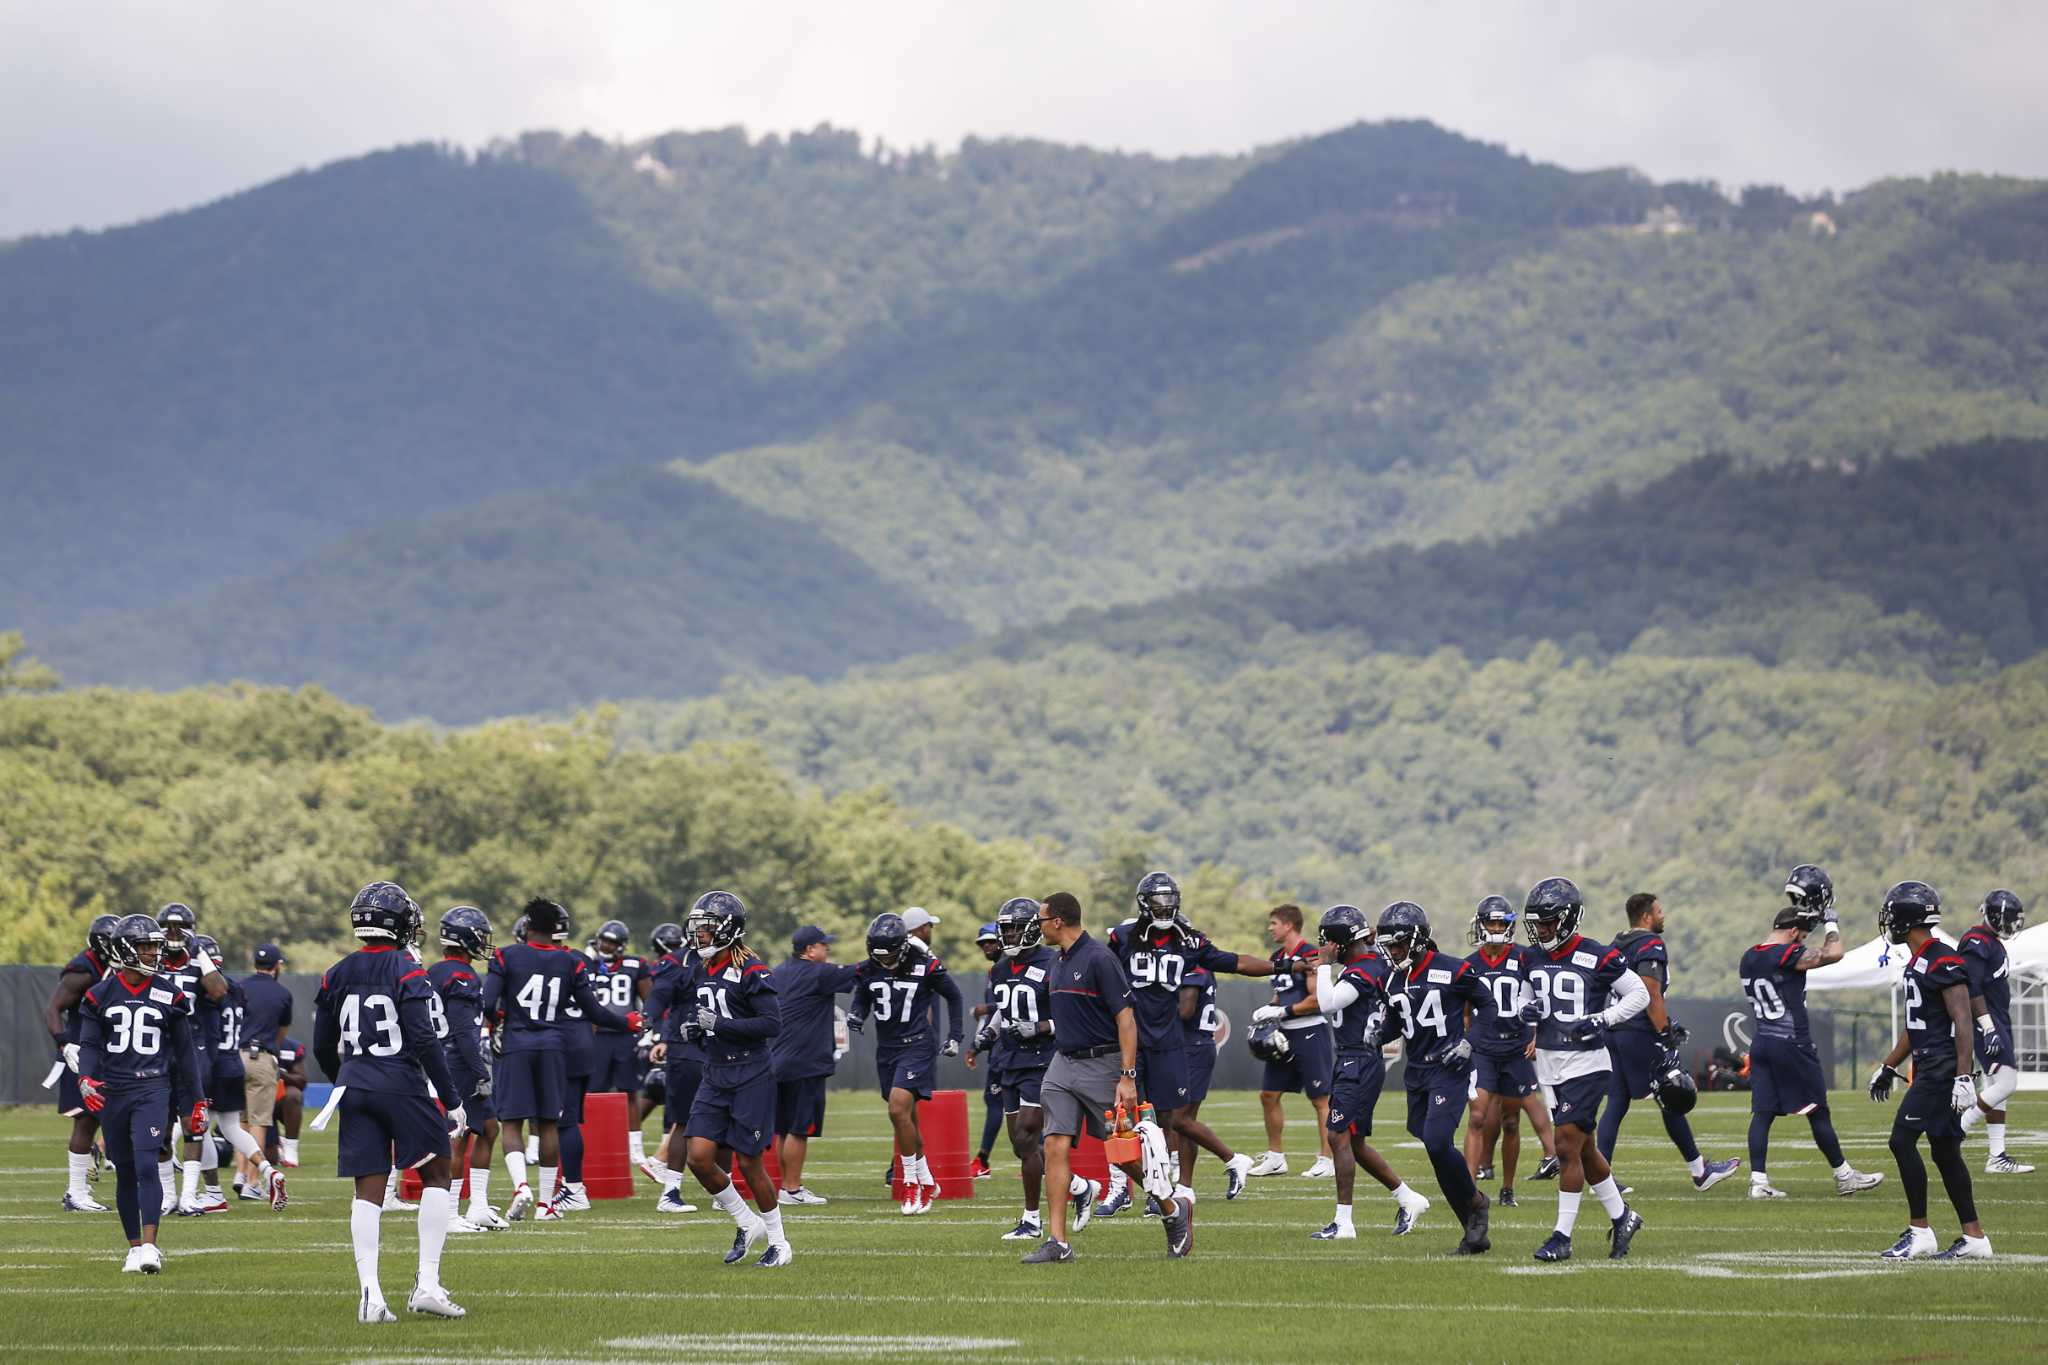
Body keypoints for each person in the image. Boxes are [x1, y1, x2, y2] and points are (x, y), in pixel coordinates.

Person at [312, 880, 467, 1320]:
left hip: (355, 1083)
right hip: (400, 1081)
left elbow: (325, 1044)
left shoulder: (336, 971)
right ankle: (428, 1284)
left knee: (369, 1186)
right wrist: (451, 1096)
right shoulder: (406, 968)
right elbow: (422, 1038)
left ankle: (371, 1296)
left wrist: (346, 1076)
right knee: (438, 1171)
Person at [1023, 891, 1195, 1263]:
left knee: (1125, 1155)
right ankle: (1058, 1242)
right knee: (1054, 1144)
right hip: (1062, 1064)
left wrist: (1127, 1076)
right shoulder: (1058, 961)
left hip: (1103, 1063)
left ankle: (1171, 1208)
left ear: (1057, 921)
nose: (1037, 927)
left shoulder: (1100, 958)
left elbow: (1126, 1019)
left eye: (1040, 920)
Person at [1097, 872, 1271, 1218]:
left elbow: (1233, 962)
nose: (1164, 907)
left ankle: (1162, 1187)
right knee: (1122, 1118)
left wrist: (1283, 965)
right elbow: (1102, 970)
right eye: (1158, 900)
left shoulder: (1190, 943)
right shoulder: (1123, 938)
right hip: (1135, 1040)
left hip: (1177, 1044)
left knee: (1169, 1120)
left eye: (1169, 900)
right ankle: (1127, 1187)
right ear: (1145, 904)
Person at [479, 898, 637, 1223]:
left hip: (517, 1044)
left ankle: (521, 1186)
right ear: (557, 930)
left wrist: (497, 1018)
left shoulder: (506, 955)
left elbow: (487, 1002)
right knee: (550, 1122)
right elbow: (594, 1011)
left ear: (527, 926)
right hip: (553, 1046)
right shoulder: (571, 962)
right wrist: (628, 1022)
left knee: (512, 1122)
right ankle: (546, 1204)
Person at [1519, 877, 1649, 1263]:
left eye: (1548, 923)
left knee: (1565, 1147)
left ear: (1569, 918)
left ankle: (1562, 1236)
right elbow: (1532, 995)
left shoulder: (1598, 954)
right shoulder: (1531, 957)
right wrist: (1529, 1011)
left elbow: (1639, 993)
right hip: (1549, 1063)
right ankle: (1623, 1217)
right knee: (1584, 1148)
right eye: (1537, 924)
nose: (1541, 931)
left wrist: (1603, 1019)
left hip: (1587, 1063)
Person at [1352, 901, 1492, 1253]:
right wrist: (1378, 1033)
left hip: (1449, 1066)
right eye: (1389, 945)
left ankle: (1474, 1212)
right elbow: (1398, 1023)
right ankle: (1473, 1210)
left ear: (1417, 940)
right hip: (1417, 1071)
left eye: (1399, 944)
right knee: (1429, 1141)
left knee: (1437, 1141)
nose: (1393, 951)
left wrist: (1468, 1043)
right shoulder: (1391, 978)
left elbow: (1488, 1006)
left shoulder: (1454, 970)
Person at [1738, 874, 1885, 1199]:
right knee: (1818, 1109)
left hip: (1762, 1040)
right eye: (1803, 937)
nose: (1804, 943)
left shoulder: (1749, 957)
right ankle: (1844, 1176)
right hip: (1791, 1042)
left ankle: (1758, 1182)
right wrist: (1831, 923)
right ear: (1793, 932)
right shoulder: (1785, 953)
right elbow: (1834, 953)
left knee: (1762, 1113)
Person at [1868, 881, 1993, 1260]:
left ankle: (1920, 1231)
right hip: (1928, 1064)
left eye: (1892, 913)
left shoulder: (1942, 958)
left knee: (1901, 1141)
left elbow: (1963, 1019)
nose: (1888, 920)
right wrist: (1889, 1066)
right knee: (1944, 1150)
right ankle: (1975, 1239)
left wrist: (1963, 1075)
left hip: (1941, 1068)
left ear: (1906, 918)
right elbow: (1916, 1026)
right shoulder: (1919, 960)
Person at [76, 913, 206, 1274]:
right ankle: (134, 1247)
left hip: (152, 1087)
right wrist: (85, 1079)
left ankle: (151, 1245)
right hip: (115, 1089)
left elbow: (185, 1054)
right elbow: (88, 1043)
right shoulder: (99, 994)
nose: (153, 953)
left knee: (148, 1162)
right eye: (146, 946)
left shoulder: (170, 993)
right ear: (125, 950)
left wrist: (196, 1100)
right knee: (126, 1171)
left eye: (154, 946)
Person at [674, 891, 792, 1268]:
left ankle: (779, 1242)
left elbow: (772, 1024)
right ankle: (746, 1221)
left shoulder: (752, 970)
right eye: (699, 928)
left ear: (728, 930)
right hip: (715, 1070)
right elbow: (710, 1018)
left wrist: (720, 1024)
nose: (700, 935)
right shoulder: (700, 968)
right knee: (699, 1156)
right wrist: (697, 1031)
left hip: (750, 1072)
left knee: (750, 1161)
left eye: (707, 928)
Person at [1304, 904, 1432, 1241]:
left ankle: (1344, 1222)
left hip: (1357, 1058)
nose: (1325, 948)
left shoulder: (1363, 968)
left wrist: (1323, 968)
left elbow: (1328, 1003)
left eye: (1328, 943)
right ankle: (1408, 1197)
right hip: (1357, 1057)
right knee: (1354, 1143)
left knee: (1336, 1135)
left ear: (1341, 943)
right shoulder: (1372, 962)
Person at [1596, 894, 1741, 1193]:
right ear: (1646, 917)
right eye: (1659, 911)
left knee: (1617, 1101)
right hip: (1637, 1030)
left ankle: (1601, 1178)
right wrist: (1664, 1032)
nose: (1664, 916)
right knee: (1672, 1094)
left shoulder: (1614, 945)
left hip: (1613, 1028)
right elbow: (1650, 992)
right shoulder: (1650, 944)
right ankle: (1700, 1171)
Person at [848, 910, 965, 1215]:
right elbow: (863, 995)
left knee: (898, 1107)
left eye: (889, 957)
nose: (884, 962)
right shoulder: (868, 969)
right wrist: (857, 1014)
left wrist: (955, 1034)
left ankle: (911, 1183)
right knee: (906, 1120)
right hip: (887, 1050)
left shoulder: (925, 964)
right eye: (879, 957)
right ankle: (928, 1181)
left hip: (917, 1045)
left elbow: (953, 995)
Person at [967, 897, 1061, 1241]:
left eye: (1014, 928)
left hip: (1042, 1058)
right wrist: (986, 1035)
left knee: (1027, 1133)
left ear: (1033, 929)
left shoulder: (1053, 962)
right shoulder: (1001, 968)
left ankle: (1032, 1219)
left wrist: (1041, 1027)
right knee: (1019, 1145)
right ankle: (1080, 1186)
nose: (1008, 935)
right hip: (1009, 1058)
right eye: (1004, 928)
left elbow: (1069, 1013)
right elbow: (1002, 1008)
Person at [179, 933, 286, 1216]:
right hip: (233, 1063)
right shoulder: (236, 989)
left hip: (212, 1064)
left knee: (198, 1129)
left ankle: (213, 1193)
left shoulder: (210, 991)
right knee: (229, 1127)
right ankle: (266, 1170)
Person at [1462, 897, 1558, 1206]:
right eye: (1491, 922)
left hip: (1515, 1047)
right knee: (1477, 1116)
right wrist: (1468, 1040)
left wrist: (1536, 1031)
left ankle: (1507, 1189)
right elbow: (1465, 1012)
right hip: (1484, 1049)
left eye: (1502, 923)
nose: (1496, 928)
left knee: (1512, 1121)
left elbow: (1541, 996)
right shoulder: (1470, 964)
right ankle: (1467, 1190)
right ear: (1481, 924)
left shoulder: (1525, 958)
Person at [770, 924, 861, 1204]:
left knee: (782, 1128)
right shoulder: (819, 973)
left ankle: (786, 1187)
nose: (827, 949)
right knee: (800, 1129)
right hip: (805, 1062)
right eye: (824, 945)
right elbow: (859, 972)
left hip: (777, 1061)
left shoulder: (777, 972)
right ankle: (792, 1188)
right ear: (810, 950)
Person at [429, 906, 506, 1232]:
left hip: (449, 1058)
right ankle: (447, 1215)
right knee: (457, 1136)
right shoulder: (461, 975)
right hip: (457, 1063)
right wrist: (480, 1069)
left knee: (489, 1128)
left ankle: (478, 1206)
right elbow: (463, 1031)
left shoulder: (434, 971)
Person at [154, 904, 228, 1218]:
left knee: (193, 1124)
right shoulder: (152, 962)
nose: (172, 934)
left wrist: (200, 956)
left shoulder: (198, 963)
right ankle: (168, 1195)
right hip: (157, 1052)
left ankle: (188, 1195)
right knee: (159, 1126)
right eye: (167, 927)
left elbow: (219, 991)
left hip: (189, 1052)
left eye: (178, 927)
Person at [1249, 905, 1334, 1179]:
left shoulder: (1310, 955)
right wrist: (1268, 1010)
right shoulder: (1278, 957)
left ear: (1288, 925)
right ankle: (1275, 1158)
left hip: (1309, 1032)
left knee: (1320, 1099)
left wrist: (1282, 1011)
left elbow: (1317, 999)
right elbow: (1280, 996)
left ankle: (1327, 1159)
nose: (1270, 928)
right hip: (1284, 1034)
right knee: (1268, 1095)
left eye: (1274, 923)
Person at [48, 913, 118, 1213]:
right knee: (86, 1119)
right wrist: (65, 1043)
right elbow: (52, 1009)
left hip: (104, 1050)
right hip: (82, 1051)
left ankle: (83, 1185)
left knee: (108, 1116)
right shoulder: (83, 970)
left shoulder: (110, 966)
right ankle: (76, 1191)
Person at [1959, 890, 2033, 1174]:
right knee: (2007, 1083)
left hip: (1997, 1019)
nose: (2015, 924)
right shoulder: (1977, 941)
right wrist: (1988, 1027)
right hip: (1986, 1021)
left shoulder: (1991, 942)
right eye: (2011, 919)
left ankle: (1996, 1156)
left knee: (1997, 1090)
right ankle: (1958, 1127)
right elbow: (1971, 986)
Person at [631, 921, 686, 1170]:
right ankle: (660, 1159)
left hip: (665, 1037)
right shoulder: (668, 967)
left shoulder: (674, 964)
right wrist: (659, 1035)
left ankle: (620, 1139)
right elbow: (658, 1004)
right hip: (666, 1038)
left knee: (658, 1091)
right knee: (675, 1098)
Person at [239, 943, 294, 1185]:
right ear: (277, 965)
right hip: (261, 1056)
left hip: (235, 1056)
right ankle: (253, 1182)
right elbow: (281, 1034)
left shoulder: (239, 987)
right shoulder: (282, 993)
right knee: (258, 1123)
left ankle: (239, 1175)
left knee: (239, 1122)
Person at [587, 920, 653, 1096]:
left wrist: (648, 1031)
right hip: (596, 1035)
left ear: (621, 945)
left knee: (629, 1091)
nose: (605, 945)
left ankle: (634, 1126)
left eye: (611, 942)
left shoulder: (635, 965)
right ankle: (593, 1125)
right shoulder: (587, 965)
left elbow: (651, 1001)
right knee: (593, 1089)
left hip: (626, 1035)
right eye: (603, 940)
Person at [969, 922, 1007, 1179]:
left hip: (1013, 1048)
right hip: (999, 1046)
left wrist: (985, 1008)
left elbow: (1009, 1006)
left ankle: (982, 1159)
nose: (987, 946)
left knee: (998, 1103)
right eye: (984, 943)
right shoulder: (997, 969)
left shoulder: (1007, 968)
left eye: (992, 941)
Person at [265, 1035, 308, 1170]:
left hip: (282, 1100)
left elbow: (302, 1080)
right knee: (270, 1159)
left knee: (294, 1095)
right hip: (260, 1101)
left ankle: (290, 1147)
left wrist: (280, 1075)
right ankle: (276, 1145)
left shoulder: (291, 1046)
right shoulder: (252, 1044)